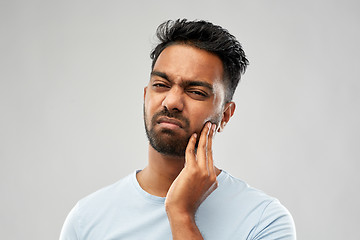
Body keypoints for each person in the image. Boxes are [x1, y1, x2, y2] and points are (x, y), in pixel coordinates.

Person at [60, 19, 296, 240]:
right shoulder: (86, 220)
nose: (171, 101)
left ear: (225, 115)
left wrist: (181, 214)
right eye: (161, 85)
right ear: (145, 96)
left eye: (196, 92)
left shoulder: (263, 220)